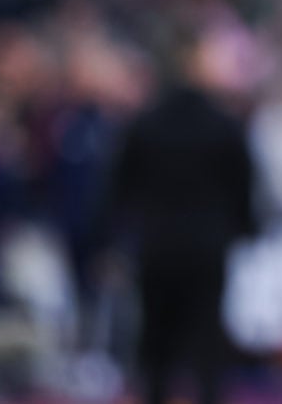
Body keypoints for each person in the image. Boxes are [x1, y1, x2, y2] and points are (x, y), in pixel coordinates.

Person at [102, 25, 257, 404]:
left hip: (156, 248)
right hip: (207, 248)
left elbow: (118, 189)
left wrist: (113, 242)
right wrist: (242, 231)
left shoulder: (142, 124)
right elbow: (244, 189)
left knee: (155, 343)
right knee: (206, 344)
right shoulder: (223, 125)